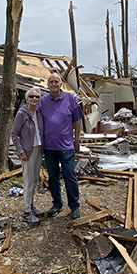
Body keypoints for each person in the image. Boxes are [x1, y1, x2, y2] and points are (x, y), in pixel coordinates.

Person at [38, 72, 84, 220]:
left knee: (70, 176)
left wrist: (77, 139)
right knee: (53, 177)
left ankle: (74, 206)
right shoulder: (43, 101)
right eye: (50, 81)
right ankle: (57, 204)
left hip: (66, 146)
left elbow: (78, 120)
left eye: (56, 81)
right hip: (49, 146)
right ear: (47, 84)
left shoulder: (70, 98)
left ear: (61, 84)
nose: (53, 84)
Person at [11, 87, 45, 226]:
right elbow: (14, 134)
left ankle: (31, 206)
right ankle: (26, 212)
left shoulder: (38, 112)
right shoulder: (21, 113)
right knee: (28, 181)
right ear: (27, 98)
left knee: (35, 179)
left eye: (37, 97)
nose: (34, 99)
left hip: (38, 149)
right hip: (27, 152)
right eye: (32, 96)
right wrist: (21, 151)